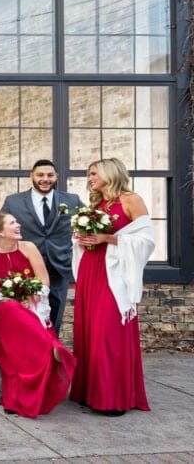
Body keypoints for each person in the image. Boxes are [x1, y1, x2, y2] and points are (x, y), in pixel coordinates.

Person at [70, 158, 154, 415]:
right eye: (89, 174)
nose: (90, 178)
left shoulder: (130, 200)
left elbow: (146, 240)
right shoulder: (97, 204)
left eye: (94, 173)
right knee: (89, 331)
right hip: (91, 270)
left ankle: (112, 398)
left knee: (108, 333)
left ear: (110, 173)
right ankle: (90, 392)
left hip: (113, 275)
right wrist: (81, 240)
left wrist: (107, 238)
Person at [0, 212, 76, 418]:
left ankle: (44, 353)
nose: (18, 225)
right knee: (11, 309)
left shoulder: (30, 248)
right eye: (13, 222)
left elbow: (44, 281)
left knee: (21, 320)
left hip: (30, 308)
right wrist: (8, 299)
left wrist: (32, 294)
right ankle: (52, 348)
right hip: (0, 311)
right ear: (0, 231)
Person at [0, 160, 83, 333]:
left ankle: (52, 356)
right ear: (32, 176)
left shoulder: (72, 200)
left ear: (56, 177)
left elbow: (88, 225)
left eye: (50, 175)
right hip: (24, 269)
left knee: (54, 317)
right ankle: (29, 357)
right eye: (40, 175)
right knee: (26, 316)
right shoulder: (13, 202)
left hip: (59, 268)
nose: (45, 179)